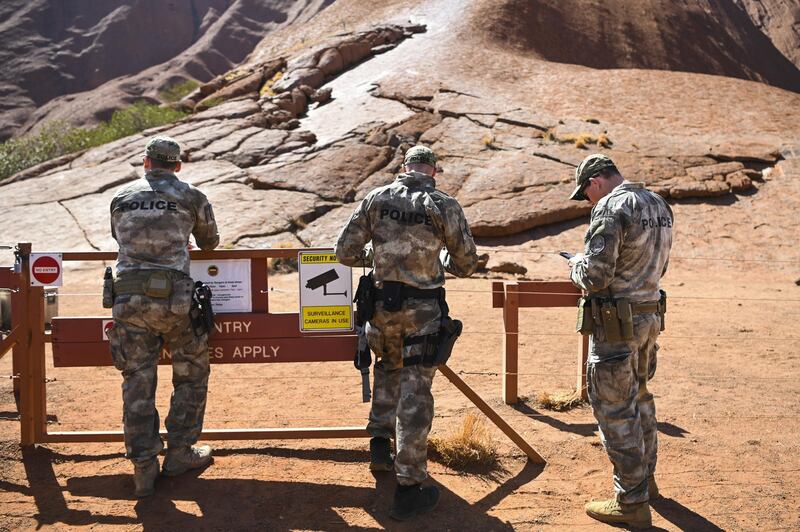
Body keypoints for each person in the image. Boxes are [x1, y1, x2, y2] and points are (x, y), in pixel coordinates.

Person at [335, 145, 478, 521]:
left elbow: (345, 251)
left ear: (404, 168)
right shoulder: (443, 204)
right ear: (433, 171)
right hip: (422, 313)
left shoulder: (376, 198)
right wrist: (437, 258)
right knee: (415, 392)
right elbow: (465, 263)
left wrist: (381, 256)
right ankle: (408, 486)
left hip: (381, 310)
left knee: (386, 369)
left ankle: (380, 443)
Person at [107, 136, 219, 498]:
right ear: (177, 165)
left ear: (145, 162)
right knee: (191, 375)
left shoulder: (121, 197)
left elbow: (120, 239)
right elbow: (209, 243)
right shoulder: (191, 195)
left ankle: (143, 466)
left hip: (128, 300)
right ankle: (180, 455)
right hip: (175, 302)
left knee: (137, 381)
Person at [566, 154, 673, 528]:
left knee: (614, 409)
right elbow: (659, 266)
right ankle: (647, 483)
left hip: (616, 324)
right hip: (649, 315)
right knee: (641, 397)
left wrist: (574, 262)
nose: (589, 202)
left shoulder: (610, 208)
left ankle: (631, 502)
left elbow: (594, 276)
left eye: (586, 194)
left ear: (596, 181)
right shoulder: (658, 203)